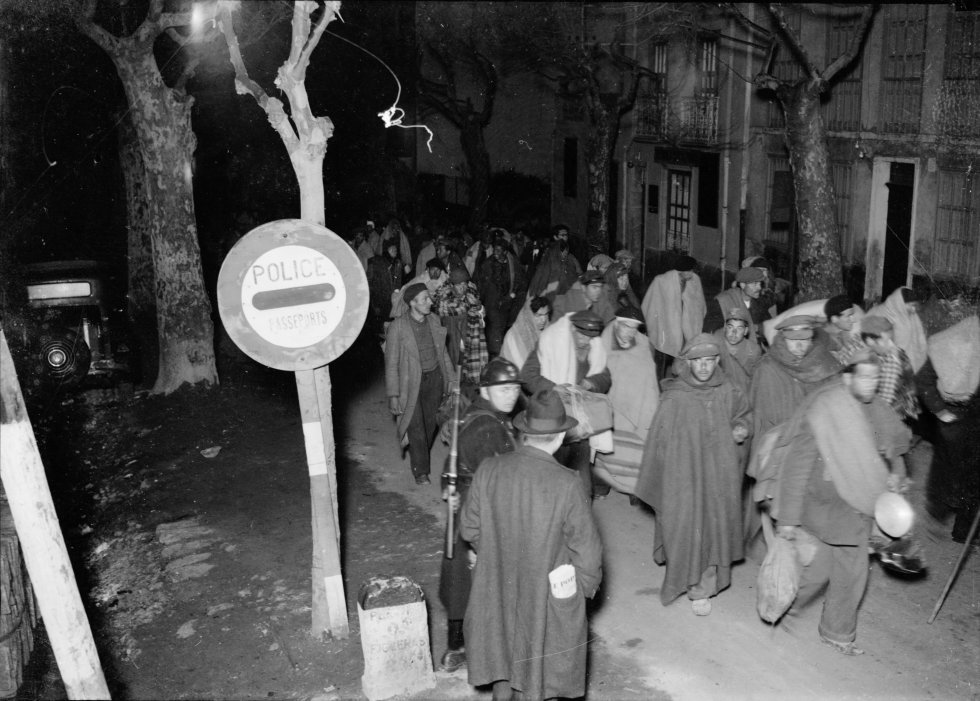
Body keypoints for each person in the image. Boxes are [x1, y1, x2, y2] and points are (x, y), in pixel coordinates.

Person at [460, 388, 602, 701]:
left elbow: (469, 527)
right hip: (544, 599)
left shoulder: (490, 470)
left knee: (503, 660)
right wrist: (582, 592)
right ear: (561, 437)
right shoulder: (568, 483)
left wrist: (499, 552)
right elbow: (587, 555)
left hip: (499, 587)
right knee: (538, 670)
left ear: (524, 431)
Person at [773, 351, 911, 655]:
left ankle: (826, 626)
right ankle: (794, 611)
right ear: (847, 376)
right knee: (833, 569)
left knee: (842, 570)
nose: (872, 383)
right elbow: (798, 464)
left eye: (876, 377)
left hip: (858, 506)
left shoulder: (879, 410)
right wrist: (787, 519)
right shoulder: (826, 407)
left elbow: (895, 453)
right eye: (865, 376)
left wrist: (895, 476)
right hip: (826, 502)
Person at [634, 334, 752, 615]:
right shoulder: (675, 397)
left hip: (718, 478)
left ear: (717, 361)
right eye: (698, 361)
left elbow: (745, 414)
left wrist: (742, 427)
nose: (704, 367)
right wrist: (664, 479)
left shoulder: (728, 390)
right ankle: (682, 578)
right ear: (687, 363)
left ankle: (702, 587)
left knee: (714, 528)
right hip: (684, 480)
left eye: (710, 361)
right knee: (685, 528)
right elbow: (658, 444)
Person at [439, 358, 521, 673]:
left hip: (465, 508)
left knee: (459, 581)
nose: (512, 394)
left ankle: (455, 647)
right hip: (481, 512)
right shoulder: (489, 425)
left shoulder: (478, 415)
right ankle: (478, 650)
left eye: (514, 388)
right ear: (486, 389)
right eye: (504, 388)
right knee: (482, 580)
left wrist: (450, 489)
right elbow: (498, 481)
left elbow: (452, 462)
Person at [521, 309, 612, 499]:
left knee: (582, 486)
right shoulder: (550, 342)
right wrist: (555, 388)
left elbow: (605, 377)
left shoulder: (595, 346)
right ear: (571, 328)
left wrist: (591, 383)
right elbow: (528, 376)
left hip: (579, 425)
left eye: (590, 337)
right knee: (549, 484)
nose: (586, 341)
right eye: (581, 335)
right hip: (551, 423)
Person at [917, 314, 980, 544]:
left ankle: (965, 531)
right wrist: (941, 411)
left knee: (975, 475)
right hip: (954, 414)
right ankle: (936, 516)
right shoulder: (948, 342)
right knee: (947, 471)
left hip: (976, 414)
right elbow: (923, 380)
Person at [385, 283, 455, 485]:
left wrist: (451, 379)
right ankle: (421, 470)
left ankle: (420, 452)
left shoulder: (433, 320)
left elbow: (443, 354)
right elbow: (391, 364)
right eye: (425, 299)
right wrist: (393, 395)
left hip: (435, 379)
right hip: (410, 384)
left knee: (430, 424)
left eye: (429, 298)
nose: (430, 302)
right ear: (412, 303)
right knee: (416, 428)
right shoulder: (398, 327)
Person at [593, 306, 660, 496]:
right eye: (626, 327)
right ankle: (601, 486)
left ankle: (633, 489)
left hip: (637, 409)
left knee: (634, 453)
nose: (630, 333)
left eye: (634, 328)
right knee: (604, 452)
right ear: (617, 324)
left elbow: (650, 381)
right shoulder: (602, 344)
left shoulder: (643, 346)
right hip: (611, 409)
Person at [748, 315, 840, 441]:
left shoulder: (823, 362)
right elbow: (760, 421)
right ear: (783, 338)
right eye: (793, 340)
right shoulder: (767, 369)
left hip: (815, 439)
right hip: (779, 443)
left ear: (812, 338)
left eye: (804, 339)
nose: (799, 345)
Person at [640, 255, 707, 380]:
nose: (692, 273)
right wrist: (653, 328)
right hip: (665, 331)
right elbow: (650, 305)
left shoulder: (694, 280)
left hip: (685, 331)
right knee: (661, 362)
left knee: (683, 361)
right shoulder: (661, 281)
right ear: (682, 271)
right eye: (690, 271)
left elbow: (700, 304)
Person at [431, 267, 487, 383]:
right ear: (451, 285)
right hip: (451, 339)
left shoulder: (472, 294)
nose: (463, 287)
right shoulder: (442, 297)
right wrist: (470, 306)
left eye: (465, 284)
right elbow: (443, 313)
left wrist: (478, 305)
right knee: (452, 367)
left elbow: (482, 315)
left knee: (467, 368)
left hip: (468, 338)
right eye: (458, 284)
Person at [860, 315, 919, 421]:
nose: (892, 345)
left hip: (900, 412)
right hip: (898, 413)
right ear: (870, 341)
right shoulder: (866, 361)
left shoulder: (894, 357)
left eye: (892, 339)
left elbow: (909, 381)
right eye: (887, 340)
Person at [475, 237, 527, 356]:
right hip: (493, 301)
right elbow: (481, 284)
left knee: (505, 327)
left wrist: (513, 294)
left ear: (505, 252)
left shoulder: (513, 262)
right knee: (496, 329)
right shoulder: (488, 264)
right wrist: (480, 301)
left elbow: (521, 280)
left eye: (499, 251)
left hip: (508, 301)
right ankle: (496, 356)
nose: (495, 253)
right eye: (494, 250)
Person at [703, 266, 772, 346]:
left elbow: (768, 326)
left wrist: (757, 328)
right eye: (755, 284)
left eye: (760, 283)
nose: (759, 287)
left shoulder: (759, 303)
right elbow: (710, 331)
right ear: (742, 285)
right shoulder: (723, 301)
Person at [865, 286, 928, 372]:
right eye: (911, 306)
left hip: (902, 364)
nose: (914, 310)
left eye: (915, 306)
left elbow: (917, 338)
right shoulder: (879, 314)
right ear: (900, 303)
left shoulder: (910, 316)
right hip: (880, 365)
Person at [712, 305, 762, 395]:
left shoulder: (753, 350)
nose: (734, 333)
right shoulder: (715, 344)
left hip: (743, 395)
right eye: (730, 327)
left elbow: (757, 382)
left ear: (746, 331)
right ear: (724, 327)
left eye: (739, 328)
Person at [527, 224, 583, 300]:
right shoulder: (547, 255)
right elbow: (540, 277)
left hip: (567, 296)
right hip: (550, 296)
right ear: (555, 237)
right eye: (562, 235)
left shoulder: (570, 256)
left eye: (566, 235)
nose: (565, 237)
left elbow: (579, 273)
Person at [366, 236, 404, 339]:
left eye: (396, 248)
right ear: (386, 250)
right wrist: (375, 305)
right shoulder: (377, 263)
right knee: (381, 329)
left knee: (392, 328)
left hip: (393, 301)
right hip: (380, 303)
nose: (394, 250)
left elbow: (398, 283)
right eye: (391, 248)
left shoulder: (397, 263)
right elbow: (372, 285)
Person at [500, 296, 551, 371]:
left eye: (546, 314)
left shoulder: (547, 333)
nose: (543, 320)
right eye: (538, 315)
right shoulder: (513, 336)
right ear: (528, 315)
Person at [823, 295, 866, 365]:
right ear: (835, 319)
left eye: (852, 315)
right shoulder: (824, 338)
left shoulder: (843, 331)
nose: (853, 320)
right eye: (848, 316)